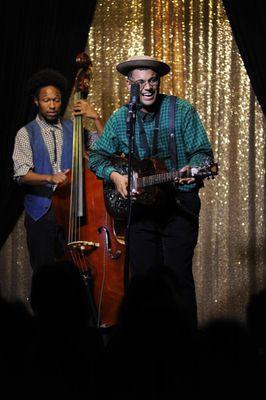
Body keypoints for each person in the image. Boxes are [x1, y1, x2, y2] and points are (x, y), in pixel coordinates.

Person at [88, 55, 214, 328]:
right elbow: (96, 158)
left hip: (178, 207)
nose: (147, 87)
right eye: (140, 82)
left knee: (177, 279)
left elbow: (203, 153)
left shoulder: (181, 110)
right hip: (141, 213)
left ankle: (185, 349)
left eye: (153, 80)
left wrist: (191, 169)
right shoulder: (122, 119)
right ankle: (146, 350)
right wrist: (115, 176)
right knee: (143, 283)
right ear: (130, 86)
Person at [13, 68, 103, 272]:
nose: (52, 105)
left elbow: (105, 147)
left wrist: (95, 117)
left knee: (76, 272)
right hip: (41, 213)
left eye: (57, 100)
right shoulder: (26, 133)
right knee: (43, 272)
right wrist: (50, 177)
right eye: (46, 100)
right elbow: (21, 174)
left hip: (72, 210)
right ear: (36, 101)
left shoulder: (74, 127)